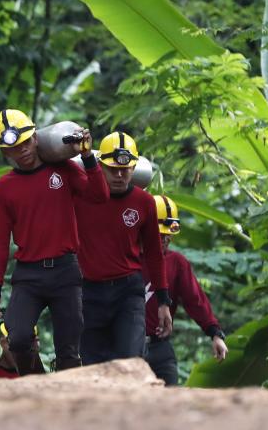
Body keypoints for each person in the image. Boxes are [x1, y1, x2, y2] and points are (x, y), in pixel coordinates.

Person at [0, 110, 107, 374]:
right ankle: (36, 381)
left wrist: (87, 157)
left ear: (36, 138)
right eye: (14, 148)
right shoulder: (4, 187)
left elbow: (99, 196)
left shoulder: (63, 170)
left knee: (69, 349)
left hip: (65, 271)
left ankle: (67, 401)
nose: (23, 151)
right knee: (17, 338)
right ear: (5, 152)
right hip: (28, 275)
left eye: (26, 143)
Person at [74, 132, 172, 364]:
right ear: (101, 166)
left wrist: (163, 302)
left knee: (131, 358)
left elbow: (155, 255)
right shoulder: (82, 197)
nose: (119, 175)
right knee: (91, 363)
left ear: (134, 167)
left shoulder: (145, 202)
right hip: (89, 292)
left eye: (126, 169)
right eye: (112, 169)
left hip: (127, 291)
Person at [143, 195, 228, 385]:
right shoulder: (125, 259)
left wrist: (215, 333)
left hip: (159, 347)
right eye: (159, 233)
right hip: (126, 348)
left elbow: (195, 300)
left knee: (171, 401)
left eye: (169, 233)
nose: (165, 238)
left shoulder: (176, 263)